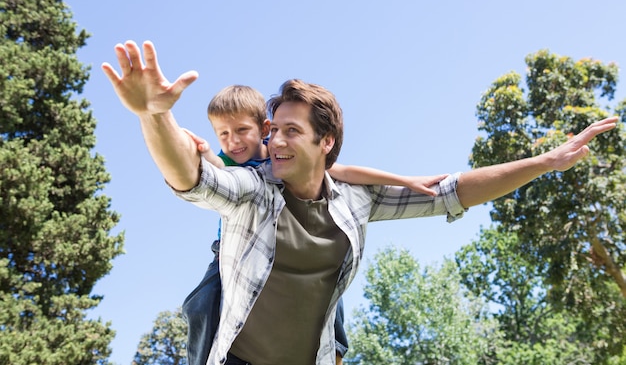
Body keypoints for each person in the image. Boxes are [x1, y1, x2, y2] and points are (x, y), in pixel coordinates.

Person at [102, 40, 618, 365]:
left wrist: (545, 161)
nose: (274, 141)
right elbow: (192, 179)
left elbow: (452, 191)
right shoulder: (253, 190)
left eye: (290, 131)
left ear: (325, 142)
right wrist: (153, 116)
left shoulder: (353, 200)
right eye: (272, 130)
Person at [181, 84, 448, 365]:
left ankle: (335, 350)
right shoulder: (228, 161)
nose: (233, 141)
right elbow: (213, 171)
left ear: (264, 129)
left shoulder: (278, 155)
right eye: (223, 134)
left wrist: (406, 181)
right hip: (230, 253)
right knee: (201, 303)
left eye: (241, 131)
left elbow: (345, 171)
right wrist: (200, 151)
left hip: (290, 240)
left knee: (325, 280)